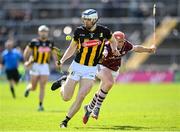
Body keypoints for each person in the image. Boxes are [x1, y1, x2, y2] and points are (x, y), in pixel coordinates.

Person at [51, 9, 119, 128]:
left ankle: (65, 120)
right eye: (84, 19)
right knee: (66, 97)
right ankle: (63, 82)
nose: (85, 22)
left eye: (88, 20)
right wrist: (62, 60)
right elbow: (71, 48)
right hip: (77, 66)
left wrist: (114, 49)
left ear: (94, 19)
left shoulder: (104, 31)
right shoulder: (79, 31)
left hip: (91, 69)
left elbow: (113, 40)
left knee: (81, 95)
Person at [83, 31, 156, 124]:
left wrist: (149, 50)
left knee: (102, 90)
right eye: (117, 41)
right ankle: (97, 108)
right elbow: (102, 54)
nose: (119, 44)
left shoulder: (126, 45)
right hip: (101, 66)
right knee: (109, 83)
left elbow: (136, 48)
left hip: (114, 69)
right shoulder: (107, 46)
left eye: (121, 41)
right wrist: (103, 54)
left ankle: (89, 108)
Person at [23, 25, 59, 111]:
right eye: (42, 31)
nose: (43, 33)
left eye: (45, 31)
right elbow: (26, 52)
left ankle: (40, 105)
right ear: (39, 32)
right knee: (34, 87)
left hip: (45, 66)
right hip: (35, 65)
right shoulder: (34, 42)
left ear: (47, 32)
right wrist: (26, 61)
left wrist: (56, 62)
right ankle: (28, 88)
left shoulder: (50, 43)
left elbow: (54, 54)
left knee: (42, 86)